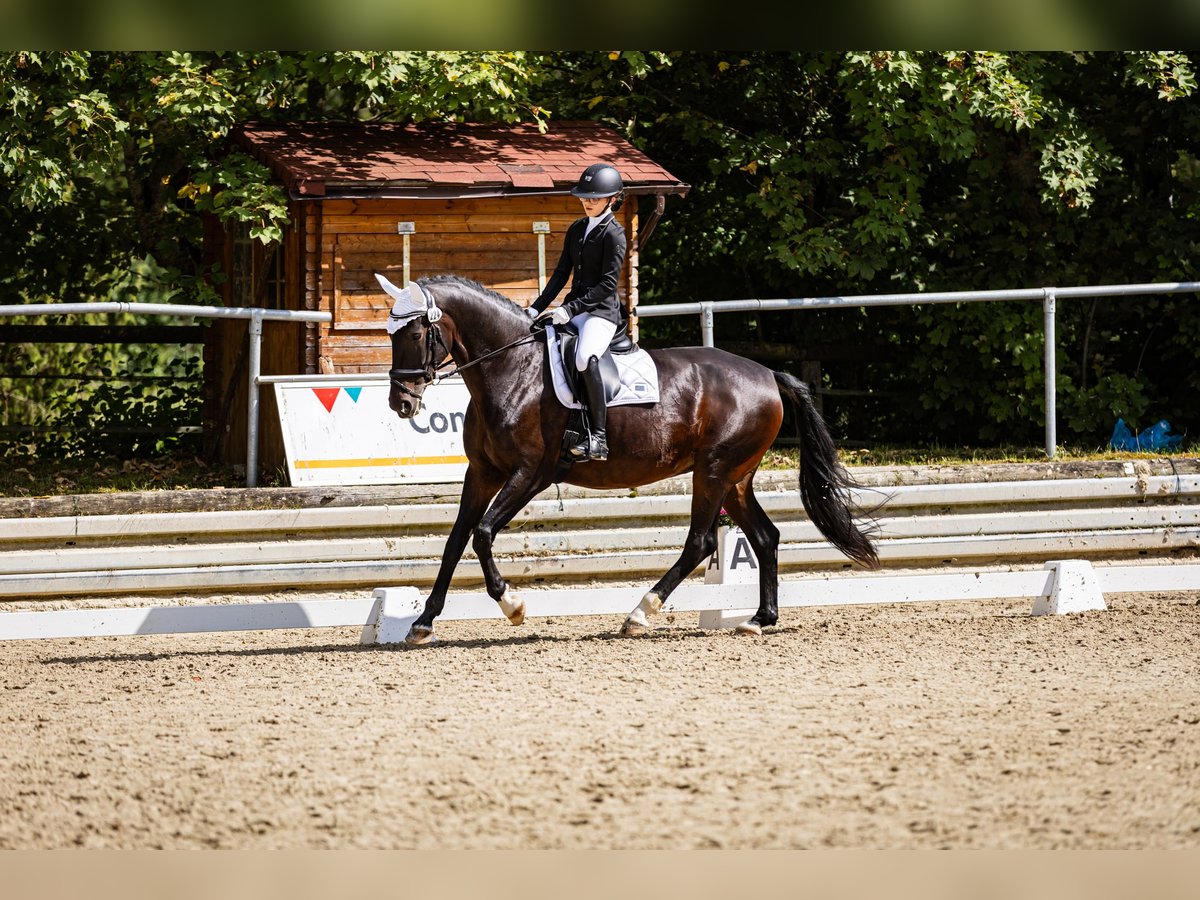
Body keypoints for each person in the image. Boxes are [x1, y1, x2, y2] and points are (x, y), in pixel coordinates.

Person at [528, 162, 628, 462]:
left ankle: (598, 437)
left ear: (612, 199)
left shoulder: (615, 235)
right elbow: (561, 274)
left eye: (594, 198)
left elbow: (608, 285)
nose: (587, 202)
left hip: (601, 313)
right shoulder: (577, 229)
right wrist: (536, 308)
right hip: (573, 311)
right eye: (584, 197)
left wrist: (569, 309)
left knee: (585, 357)